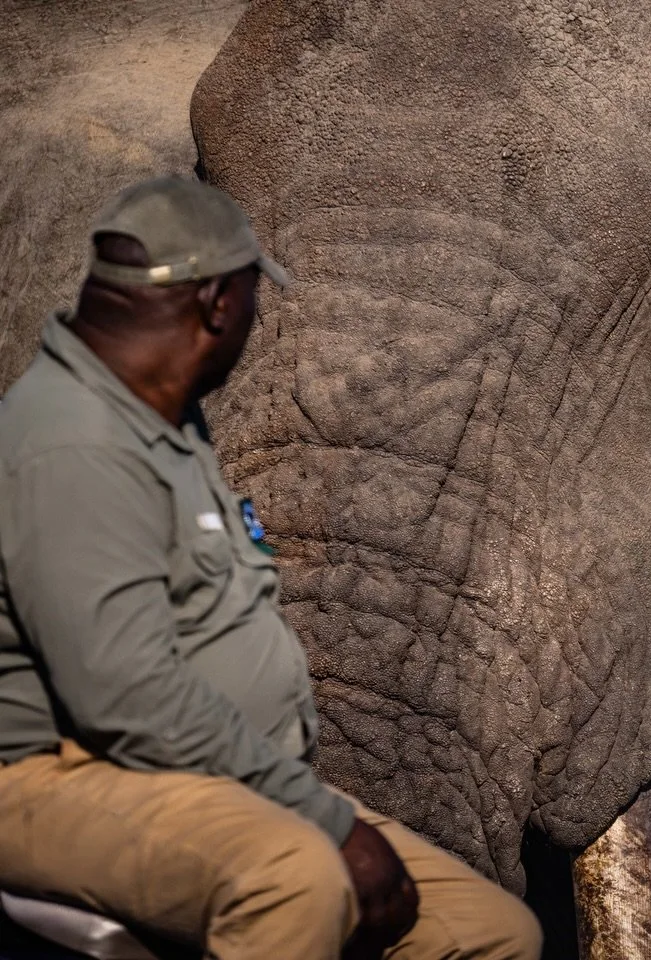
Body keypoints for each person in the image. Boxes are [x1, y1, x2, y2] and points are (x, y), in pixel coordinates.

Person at [0, 177, 542, 960]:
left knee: (490, 934)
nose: (257, 321)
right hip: (53, 776)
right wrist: (323, 819)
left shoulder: (163, 418)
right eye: (257, 296)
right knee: (294, 881)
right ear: (218, 302)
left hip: (193, 773)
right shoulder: (72, 445)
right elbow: (124, 696)